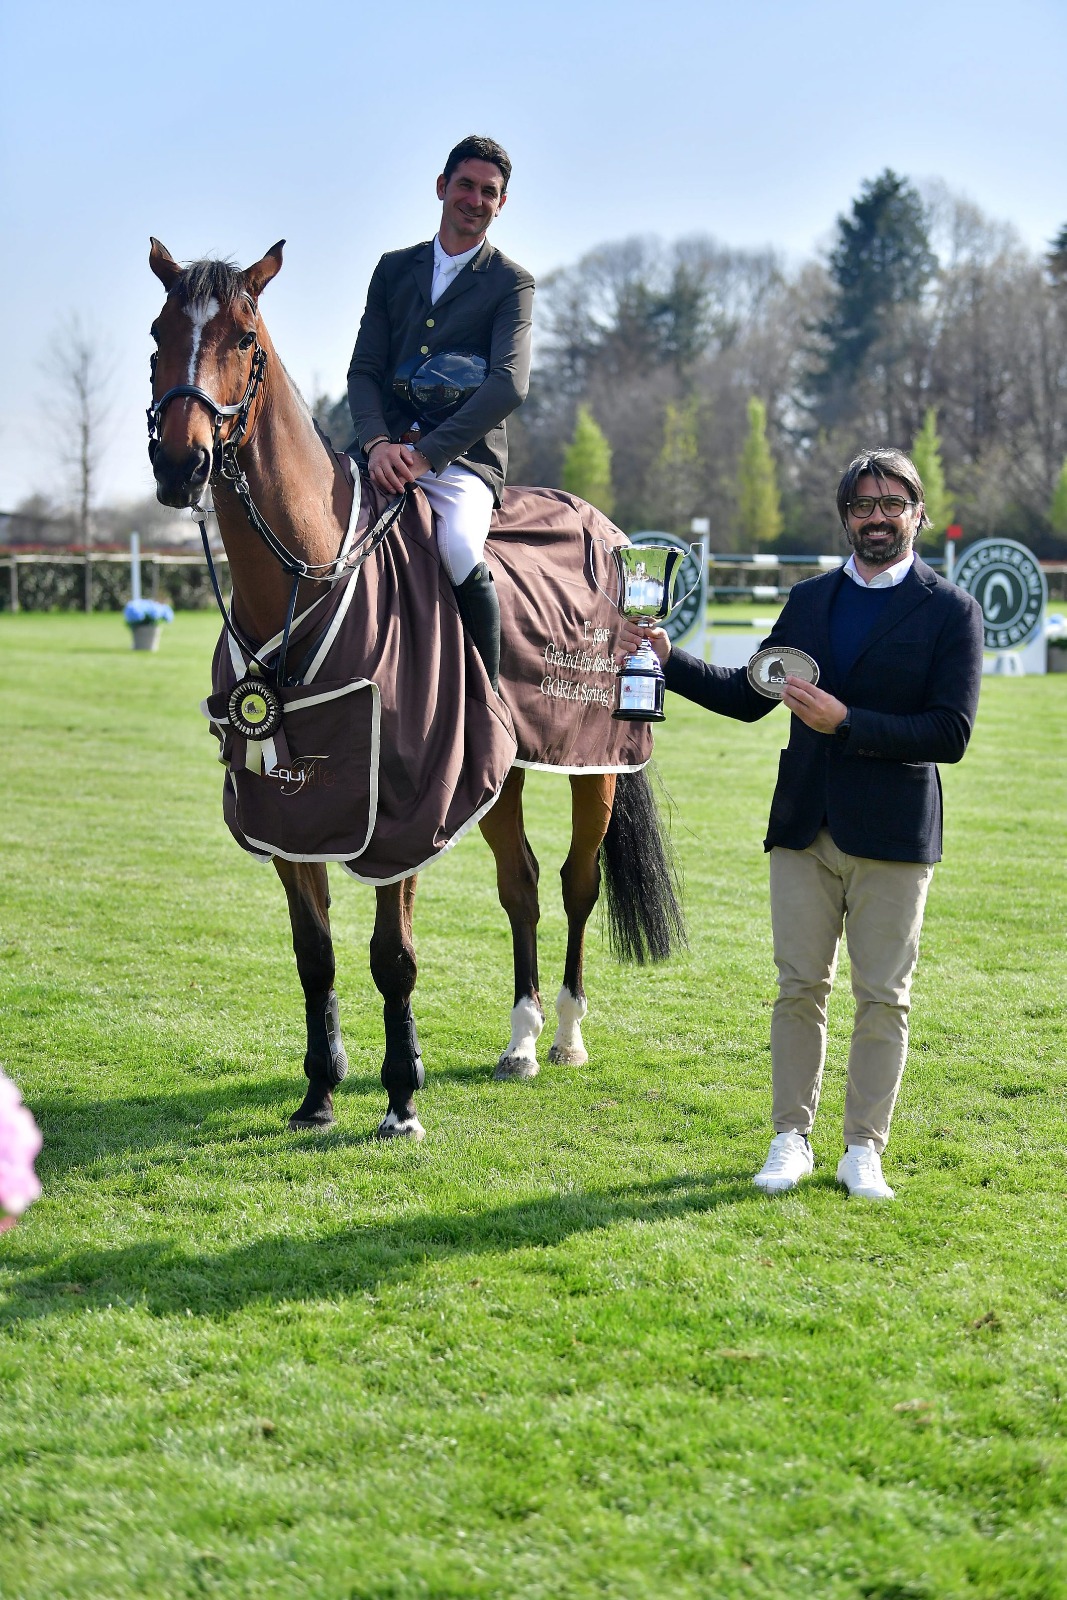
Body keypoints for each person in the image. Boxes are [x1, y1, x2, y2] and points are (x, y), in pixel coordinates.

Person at [621, 448, 984, 1200]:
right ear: (845, 515)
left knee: (883, 997)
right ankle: (790, 1136)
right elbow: (750, 694)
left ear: (916, 513)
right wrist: (667, 658)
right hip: (802, 827)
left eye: (891, 505)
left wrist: (847, 721)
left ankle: (862, 1150)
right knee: (797, 989)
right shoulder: (810, 599)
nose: (876, 518)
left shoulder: (950, 609)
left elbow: (949, 732)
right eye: (861, 505)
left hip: (892, 834)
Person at [347, 134, 534, 690]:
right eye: (466, 186)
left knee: (456, 547)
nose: (475, 199)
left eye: (489, 192)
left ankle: (486, 700)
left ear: (501, 204)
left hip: (461, 464)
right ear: (441, 188)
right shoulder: (392, 269)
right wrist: (378, 443)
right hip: (381, 452)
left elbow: (508, 386)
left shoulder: (510, 283)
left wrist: (426, 456)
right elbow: (364, 371)